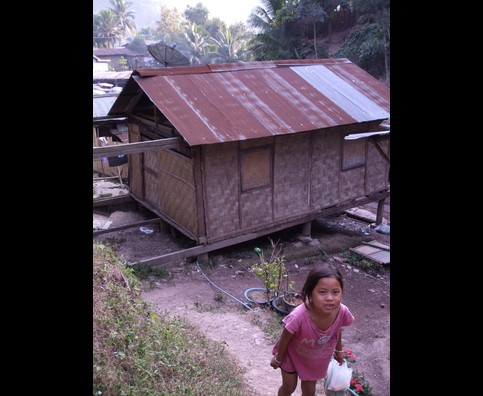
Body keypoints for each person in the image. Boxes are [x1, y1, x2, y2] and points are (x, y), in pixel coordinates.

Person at [270, 263, 355, 396]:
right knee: (289, 387)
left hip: (314, 360)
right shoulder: (298, 316)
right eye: (322, 292)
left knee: (309, 391)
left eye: (335, 292)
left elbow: (337, 331)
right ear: (309, 293)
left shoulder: (342, 312)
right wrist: (279, 358)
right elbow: (285, 336)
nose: (330, 298)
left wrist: (339, 350)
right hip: (291, 357)